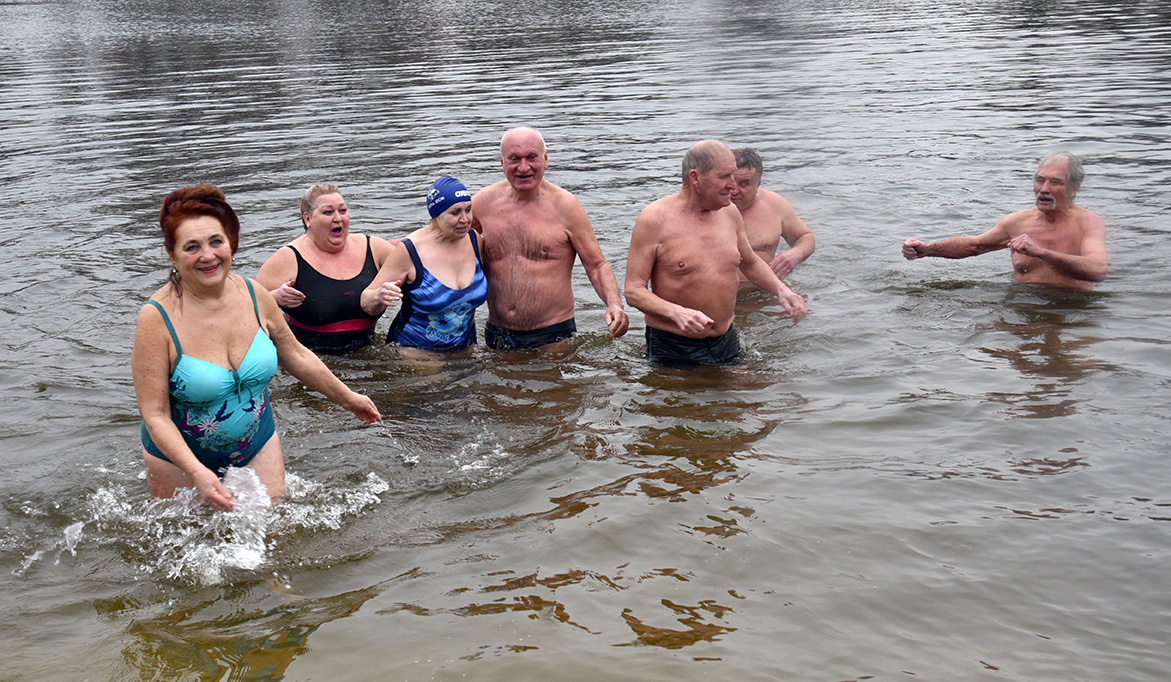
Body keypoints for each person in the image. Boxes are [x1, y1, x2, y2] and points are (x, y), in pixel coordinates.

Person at [132, 185, 382, 511]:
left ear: (231, 244)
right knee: (187, 551)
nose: (207, 255)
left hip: (257, 443)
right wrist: (197, 471)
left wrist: (349, 398)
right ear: (173, 255)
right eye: (192, 247)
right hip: (178, 460)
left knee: (277, 539)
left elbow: (296, 355)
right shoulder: (156, 318)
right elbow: (155, 414)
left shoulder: (255, 294)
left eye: (216, 242)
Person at [624, 140, 808, 366]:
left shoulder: (729, 212)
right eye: (724, 177)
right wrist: (676, 313)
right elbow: (633, 291)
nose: (733, 185)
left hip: (727, 339)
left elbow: (750, 263)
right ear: (695, 178)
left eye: (734, 176)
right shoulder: (653, 220)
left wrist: (782, 291)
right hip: (674, 345)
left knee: (743, 400)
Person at [470, 126, 629, 350]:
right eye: (514, 158)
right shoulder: (483, 203)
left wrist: (614, 304)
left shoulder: (566, 206)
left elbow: (595, 264)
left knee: (553, 385)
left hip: (553, 334)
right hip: (497, 331)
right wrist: (406, 249)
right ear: (502, 162)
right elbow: (443, 238)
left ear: (545, 160)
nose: (523, 167)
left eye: (532, 157)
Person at [902, 152, 1108, 290]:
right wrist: (927, 250)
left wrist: (1041, 253)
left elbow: (1097, 270)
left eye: (1055, 183)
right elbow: (975, 246)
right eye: (1039, 180)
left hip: (1070, 311)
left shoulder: (1088, 222)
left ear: (1074, 188)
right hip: (1022, 303)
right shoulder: (1017, 222)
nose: (1044, 189)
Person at [256, 183, 396, 353]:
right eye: (328, 212)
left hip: (367, 354)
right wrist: (274, 297)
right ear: (308, 219)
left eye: (342, 210)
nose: (338, 218)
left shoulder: (374, 248)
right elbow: (246, 308)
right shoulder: (288, 258)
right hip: (310, 360)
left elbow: (414, 267)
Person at [361, 177, 487, 350]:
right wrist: (379, 297)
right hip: (414, 350)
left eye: (468, 209)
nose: (465, 219)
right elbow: (365, 300)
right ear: (436, 215)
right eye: (455, 212)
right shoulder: (409, 251)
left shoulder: (474, 241)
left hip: (464, 347)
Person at [730, 148, 816, 281]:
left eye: (744, 184)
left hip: (764, 288)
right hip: (720, 293)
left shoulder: (774, 204)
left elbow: (805, 237)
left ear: (758, 184)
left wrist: (795, 254)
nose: (734, 191)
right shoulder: (709, 207)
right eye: (731, 182)